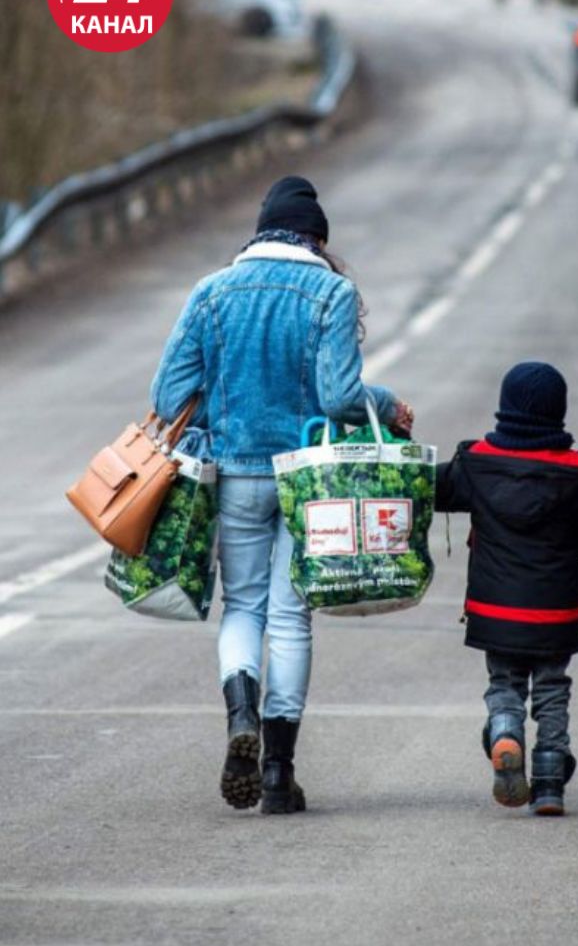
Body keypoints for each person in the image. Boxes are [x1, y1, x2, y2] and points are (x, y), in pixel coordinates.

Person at [150, 175, 414, 816]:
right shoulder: (331, 291)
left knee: (242, 607)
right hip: (309, 481)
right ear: (317, 239)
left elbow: (166, 399)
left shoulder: (210, 293)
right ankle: (278, 773)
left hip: (234, 474)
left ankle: (240, 711)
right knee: (292, 616)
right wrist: (387, 405)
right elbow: (342, 400)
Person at [433, 362, 578, 817]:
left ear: (504, 408)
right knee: (552, 689)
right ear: (558, 413)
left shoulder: (476, 463)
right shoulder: (577, 474)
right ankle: (548, 782)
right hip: (555, 613)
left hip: (494, 610)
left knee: (504, 682)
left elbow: (427, 488)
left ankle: (506, 730)